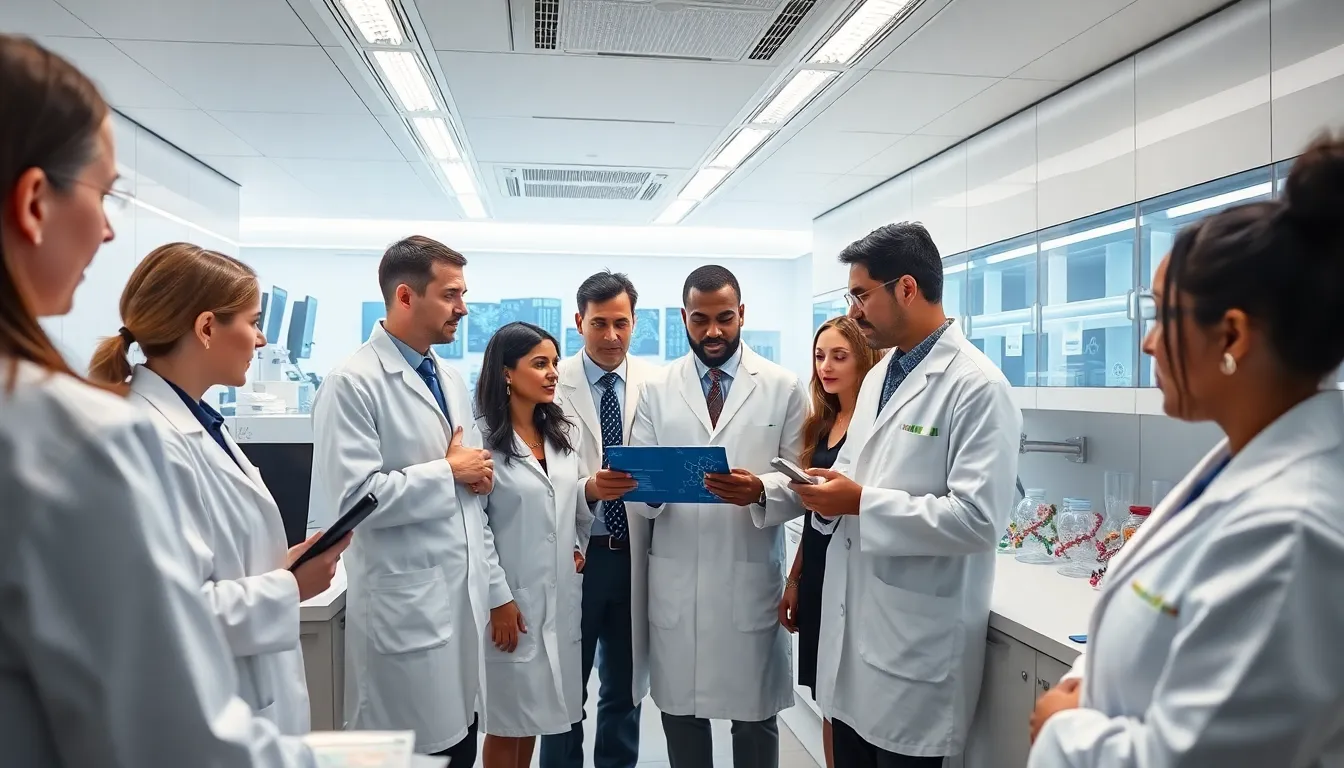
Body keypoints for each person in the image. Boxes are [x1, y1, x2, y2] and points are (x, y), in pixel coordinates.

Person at [0, 33, 314, 767]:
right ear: (34, 202)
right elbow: (173, 733)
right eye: (104, 195)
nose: (108, 229)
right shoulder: (70, 433)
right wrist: (284, 590)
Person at [1028, 134, 1344, 767]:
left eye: (1162, 317)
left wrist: (1064, 725)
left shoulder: (1291, 534)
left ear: (1231, 334)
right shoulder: (1243, 463)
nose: (1147, 344)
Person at [769, 222, 1022, 766]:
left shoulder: (978, 386)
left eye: (861, 294)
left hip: (915, 650)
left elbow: (979, 520)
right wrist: (822, 491)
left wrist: (860, 502)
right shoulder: (884, 374)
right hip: (856, 637)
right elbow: (858, 473)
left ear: (906, 288)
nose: (854, 311)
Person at [88, 242, 349, 735]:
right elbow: (170, 618)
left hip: (243, 701)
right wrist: (292, 586)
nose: (263, 339)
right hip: (206, 719)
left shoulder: (201, 423)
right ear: (207, 328)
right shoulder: (148, 439)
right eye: (253, 322)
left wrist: (283, 562)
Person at [309, 235, 496, 761]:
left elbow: (468, 474)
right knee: (414, 754)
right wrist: (448, 472)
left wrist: (477, 475)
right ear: (406, 297)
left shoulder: (450, 378)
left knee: (461, 745)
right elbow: (353, 502)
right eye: (451, 294)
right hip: (405, 610)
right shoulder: (353, 382)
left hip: (457, 606)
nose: (463, 308)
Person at [627, 265, 806, 768]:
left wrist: (759, 491)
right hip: (678, 577)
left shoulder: (782, 386)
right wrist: (653, 489)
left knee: (754, 719)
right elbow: (640, 489)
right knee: (681, 715)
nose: (713, 332)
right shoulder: (659, 390)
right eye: (700, 319)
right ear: (684, 318)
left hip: (747, 575)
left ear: (742, 314)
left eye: (725, 318)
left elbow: (802, 484)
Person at [475, 322, 602, 767]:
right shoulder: (482, 440)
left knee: (535, 716)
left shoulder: (562, 435)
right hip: (510, 599)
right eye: (540, 364)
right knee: (506, 720)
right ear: (507, 372)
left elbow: (571, 503)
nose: (553, 373)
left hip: (558, 594)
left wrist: (578, 544)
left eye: (554, 363)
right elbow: (478, 527)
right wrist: (498, 599)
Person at [543, 270, 655, 768]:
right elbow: (532, 472)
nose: (612, 337)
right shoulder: (548, 384)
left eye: (622, 324)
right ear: (578, 322)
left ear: (636, 323)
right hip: (576, 556)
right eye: (599, 324)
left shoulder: (657, 384)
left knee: (624, 691)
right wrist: (587, 489)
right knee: (565, 692)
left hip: (636, 556)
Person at [777, 316, 882, 768]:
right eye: (820, 356)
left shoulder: (877, 423)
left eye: (840, 356)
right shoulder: (821, 424)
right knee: (827, 694)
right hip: (819, 565)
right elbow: (812, 512)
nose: (826, 367)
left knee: (860, 696)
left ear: (865, 360)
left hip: (860, 571)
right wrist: (796, 579)